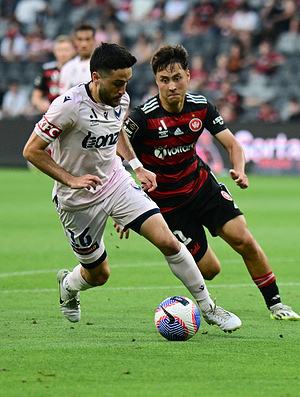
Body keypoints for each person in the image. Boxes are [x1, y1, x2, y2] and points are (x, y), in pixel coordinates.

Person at [23, 42, 241, 333]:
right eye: (117, 83)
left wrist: (136, 165)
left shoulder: (120, 99)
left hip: (115, 182)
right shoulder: (68, 107)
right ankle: (68, 285)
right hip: (76, 199)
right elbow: (31, 150)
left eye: (126, 82)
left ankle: (209, 307)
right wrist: (71, 179)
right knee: (99, 274)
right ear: (97, 78)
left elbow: (118, 131)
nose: (123, 90)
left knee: (167, 241)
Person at [122, 44, 300, 321]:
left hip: (202, 186)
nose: (171, 86)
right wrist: (125, 205)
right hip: (168, 205)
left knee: (245, 240)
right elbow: (114, 153)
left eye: (177, 78)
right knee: (210, 270)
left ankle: (277, 305)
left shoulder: (201, 106)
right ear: (156, 81)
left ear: (188, 76)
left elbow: (233, 145)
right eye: (164, 80)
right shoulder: (142, 118)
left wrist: (239, 169)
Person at [31, 35, 76, 114]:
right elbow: (36, 97)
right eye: (60, 50)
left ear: (73, 51)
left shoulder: (78, 69)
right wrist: (41, 104)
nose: (63, 54)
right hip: (52, 113)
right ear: (55, 51)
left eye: (66, 50)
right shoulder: (47, 70)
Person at [59, 23, 96, 94]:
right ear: (75, 41)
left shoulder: (102, 66)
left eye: (87, 39)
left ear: (94, 40)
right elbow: (63, 96)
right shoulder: (67, 68)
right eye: (80, 39)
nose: (84, 44)